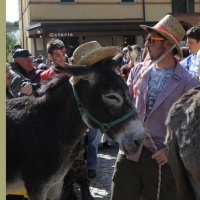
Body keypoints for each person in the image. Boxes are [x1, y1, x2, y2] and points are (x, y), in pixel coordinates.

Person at [111, 14, 200, 200]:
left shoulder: (188, 81)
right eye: (146, 40)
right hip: (130, 153)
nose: (146, 45)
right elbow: (125, 106)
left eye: (152, 40)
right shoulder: (137, 71)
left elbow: (190, 127)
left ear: (168, 45)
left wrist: (170, 150)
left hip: (161, 158)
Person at [40, 38, 94, 200]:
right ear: (50, 56)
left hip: (75, 124)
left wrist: (85, 123)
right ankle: (67, 189)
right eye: (57, 54)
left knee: (78, 159)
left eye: (63, 52)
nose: (62, 56)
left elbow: (86, 99)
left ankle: (85, 188)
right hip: (56, 127)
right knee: (61, 162)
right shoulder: (45, 76)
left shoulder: (76, 72)